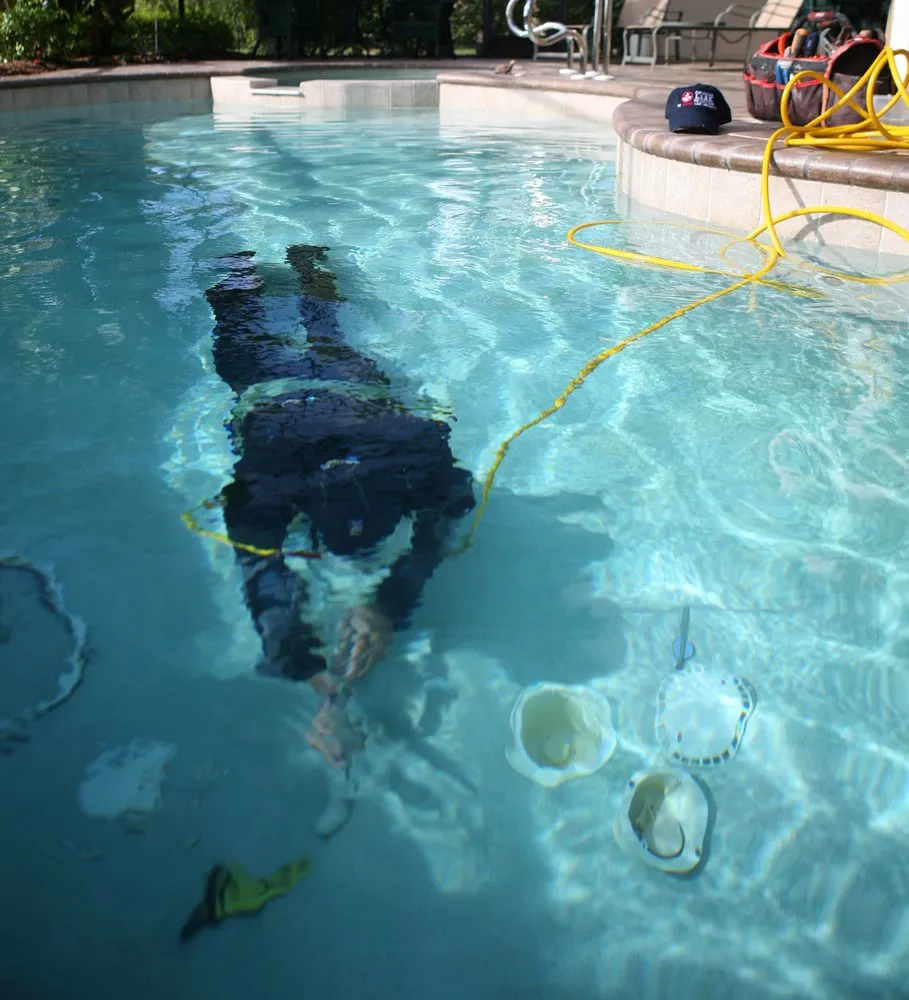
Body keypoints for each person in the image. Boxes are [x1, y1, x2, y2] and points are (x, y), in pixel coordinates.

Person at [203, 245, 476, 787]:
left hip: (332, 391)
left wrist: (306, 655)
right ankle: (294, 270)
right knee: (263, 338)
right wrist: (323, 648)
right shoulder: (287, 467)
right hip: (309, 392)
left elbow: (260, 561)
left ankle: (270, 271)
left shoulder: (410, 450)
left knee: (279, 338)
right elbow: (447, 515)